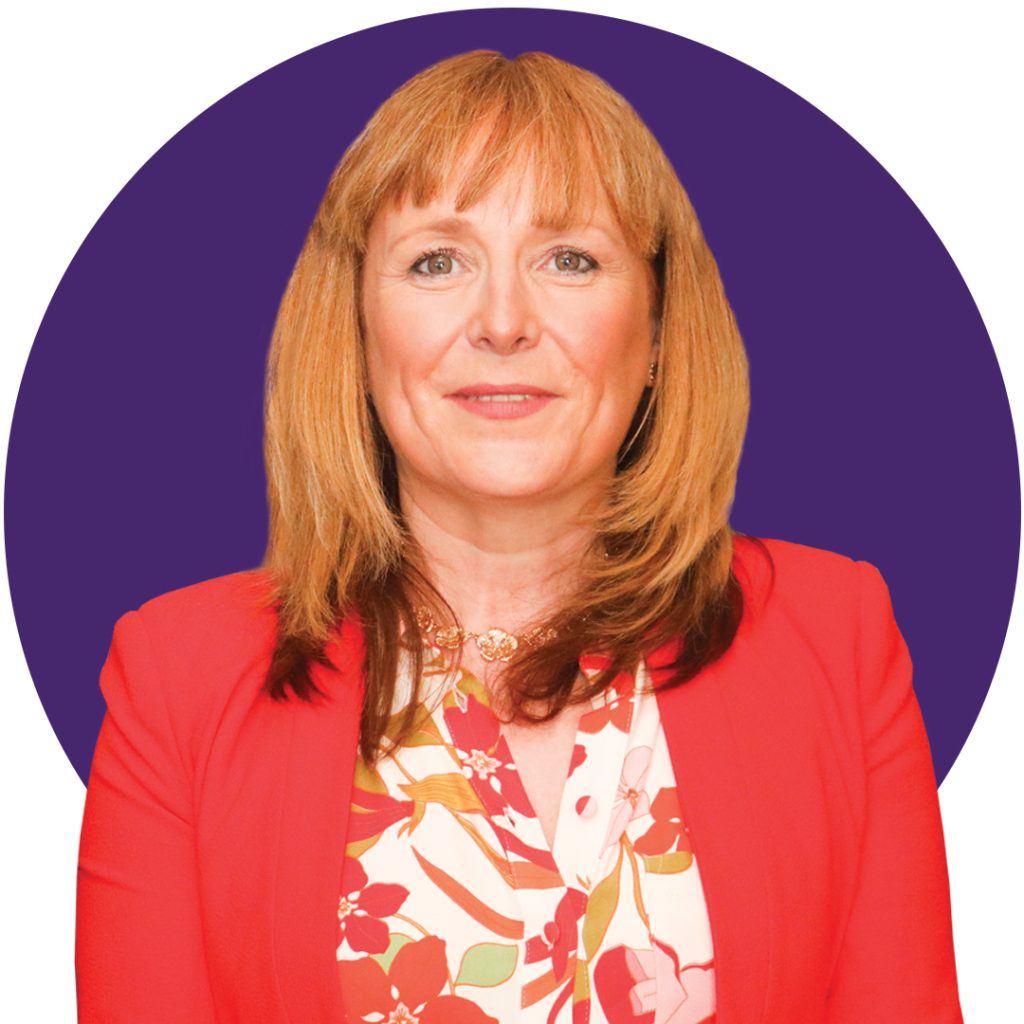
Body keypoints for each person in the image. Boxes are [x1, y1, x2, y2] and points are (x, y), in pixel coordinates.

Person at [75, 49, 964, 1024]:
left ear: (657, 328)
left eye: (568, 258)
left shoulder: (835, 637)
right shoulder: (178, 678)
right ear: (357, 328)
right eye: (437, 261)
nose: (502, 321)